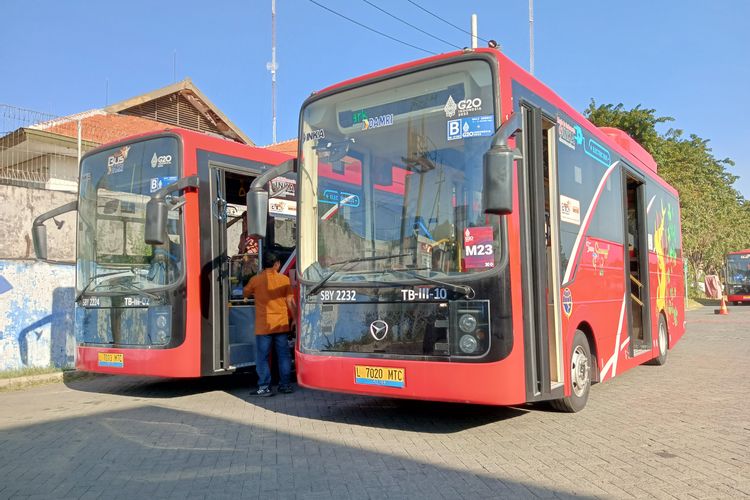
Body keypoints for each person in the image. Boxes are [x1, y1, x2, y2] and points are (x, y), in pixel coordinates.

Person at [243, 251, 297, 396]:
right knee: (284, 356)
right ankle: (285, 385)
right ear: (277, 264)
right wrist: (296, 319)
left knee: (262, 357)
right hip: (280, 324)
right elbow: (291, 302)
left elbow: (245, 293)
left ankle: (264, 387)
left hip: (264, 326)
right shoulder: (284, 280)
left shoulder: (256, 280)